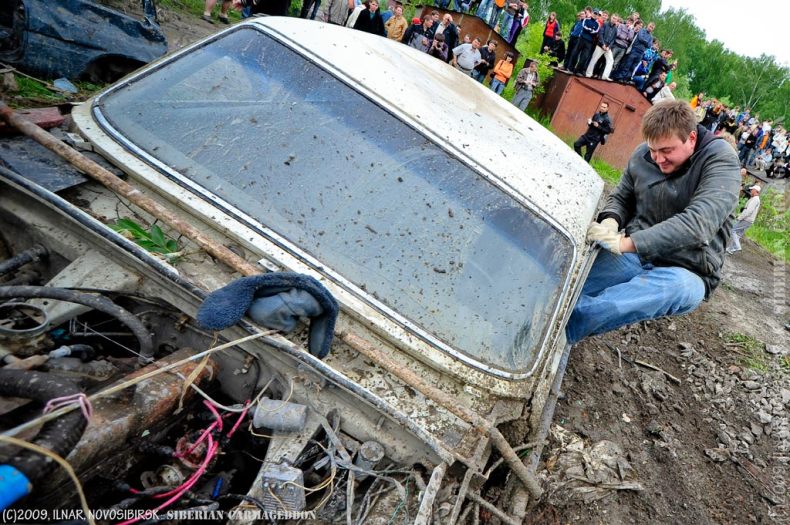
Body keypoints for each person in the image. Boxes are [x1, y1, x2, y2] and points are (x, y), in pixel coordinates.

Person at [566, 101, 741, 344]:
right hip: (637, 254)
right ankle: (557, 326)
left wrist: (627, 243)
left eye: (667, 151)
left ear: (691, 138)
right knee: (569, 288)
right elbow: (622, 197)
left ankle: (565, 328)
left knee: (611, 306)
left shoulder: (721, 161)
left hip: (686, 269)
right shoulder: (643, 155)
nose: (658, 159)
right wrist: (610, 221)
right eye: (653, 150)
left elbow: (698, 224)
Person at [727, 185, 761, 254]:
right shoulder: (755, 199)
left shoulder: (755, 199)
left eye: (752, 190)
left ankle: (737, 246)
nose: (751, 191)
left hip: (746, 219)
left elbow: (749, 211)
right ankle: (731, 249)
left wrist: (740, 217)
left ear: (755, 191)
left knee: (733, 230)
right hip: (748, 220)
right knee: (738, 234)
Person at [585, 12, 617, 80]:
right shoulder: (605, 24)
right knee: (594, 59)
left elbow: (613, 39)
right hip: (600, 45)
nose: (614, 20)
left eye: (616, 19)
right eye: (613, 18)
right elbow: (600, 34)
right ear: (611, 17)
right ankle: (588, 74)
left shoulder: (615, 29)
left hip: (608, 48)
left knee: (610, 60)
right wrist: (603, 44)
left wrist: (609, 47)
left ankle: (605, 76)